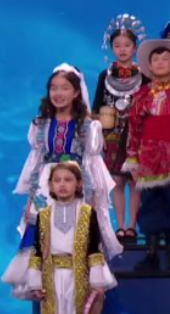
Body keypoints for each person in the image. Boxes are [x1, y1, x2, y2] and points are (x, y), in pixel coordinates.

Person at [3, 162, 121, 314]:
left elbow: (93, 249)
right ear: (49, 185)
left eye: (68, 180)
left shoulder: (87, 213)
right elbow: (38, 251)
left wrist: (97, 280)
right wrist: (35, 282)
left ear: (78, 184)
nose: (62, 185)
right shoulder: (44, 215)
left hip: (78, 276)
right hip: (51, 276)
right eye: (57, 181)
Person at [16, 64, 117, 242]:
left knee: (75, 239)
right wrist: (30, 201)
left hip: (75, 187)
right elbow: (36, 164)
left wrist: (91, 203)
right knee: (41, 240)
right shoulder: (40, 125)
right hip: (45, 188)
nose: (58, 93)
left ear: (76, 92)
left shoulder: (88, 126)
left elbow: (92, 166)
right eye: (53, 88)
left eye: (64, 88)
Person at [126, 37, 170, 272]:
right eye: (155, 59)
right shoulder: (141, 94)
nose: (159, 62)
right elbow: (133, 128)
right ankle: (151, 254)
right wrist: (132, 159)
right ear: (148, 65)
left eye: (165, 58)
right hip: (148, 157)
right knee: (150, 204)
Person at [95, 13, 147, 240]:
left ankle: (132, 226)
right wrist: (99, 136)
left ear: (135, 48)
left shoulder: (144, 75)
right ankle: (120, 225)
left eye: (127, 45)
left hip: (138, 136)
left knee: (135, 181)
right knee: (116, 181)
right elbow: (97, 106)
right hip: (112, 135)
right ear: (111, 48)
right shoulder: (104, 76)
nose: (122, 50)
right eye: (117, 45)